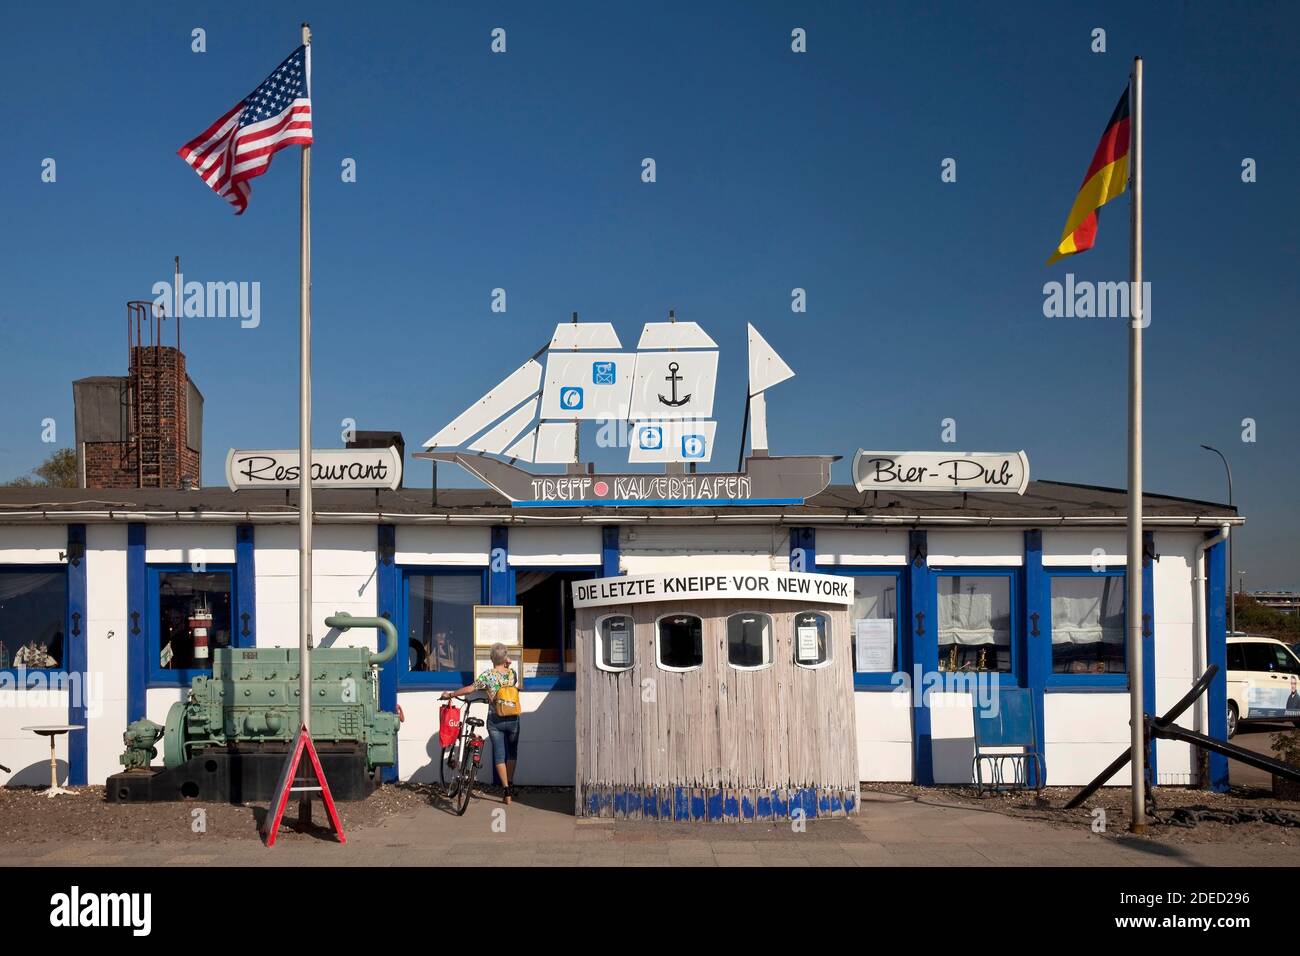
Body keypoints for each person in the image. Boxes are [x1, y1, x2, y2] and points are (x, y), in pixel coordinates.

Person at [440, 643, 521, 804]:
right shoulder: (512, 674)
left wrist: (450, 694)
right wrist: (507, 662)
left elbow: (470, 689)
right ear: (505, 658)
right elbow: (510, 669)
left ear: (491, 658)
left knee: (499, 755)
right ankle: (510, 784)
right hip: (513, 718)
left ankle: (506, 791)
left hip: (495, 718)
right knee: (512, 753)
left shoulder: (488, 676)